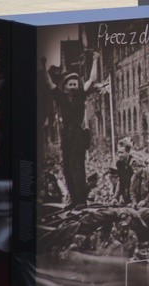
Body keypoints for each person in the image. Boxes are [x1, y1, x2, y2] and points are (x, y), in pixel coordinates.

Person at [41, 51, 99, 208]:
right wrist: (44, 66)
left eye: (75, 84)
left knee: (77, 166)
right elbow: (50, 83)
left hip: (78, 134)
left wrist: (95, 59)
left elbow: (92, 79)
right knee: (66, 167)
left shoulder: (81, 95)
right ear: (65, 86)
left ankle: (81, 200)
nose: (73, 86)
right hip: (66, 135)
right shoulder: (61, 97)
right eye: (70, 84)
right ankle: (73, 198)